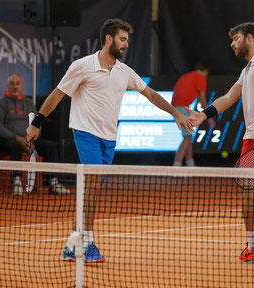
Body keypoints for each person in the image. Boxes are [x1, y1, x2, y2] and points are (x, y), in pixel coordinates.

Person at [26, 18, 195, 263]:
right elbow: (58, 94)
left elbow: (150, 94)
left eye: (127, 40)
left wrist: (176, 113)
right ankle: (88, 244)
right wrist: (36, 123)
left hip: (109, 140)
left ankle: (72, 245)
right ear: (109, 39)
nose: (126, 44)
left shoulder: (124, 72)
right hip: (85, 134)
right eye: (122, 39)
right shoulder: (82, 66)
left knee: (91, 192)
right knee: (92, 187)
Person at [187, 22, 254, 264]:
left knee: (249, 189)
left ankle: (252, 247)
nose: (232, 44)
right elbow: (228, 98)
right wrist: (203, 115)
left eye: (235, 38)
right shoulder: (247, 70)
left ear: (249, 37)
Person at [0, 74, 70, 196]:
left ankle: (53, 182)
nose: (15, 86)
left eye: (18, 83)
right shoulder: (1, 103)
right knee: (15, 145)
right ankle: (16, 182)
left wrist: (31, 139)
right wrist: (17, 138)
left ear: (22, 86)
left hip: (29, 140)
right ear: (8, 86)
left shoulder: (29, 103)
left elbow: (36, 124)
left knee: (50, 146)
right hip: (8, 141)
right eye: (12, 84)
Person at [171, 61, 215, 166]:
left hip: (174, 108)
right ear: (205, 71)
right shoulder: (201, 77)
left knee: (188, 136)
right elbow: (202, 98)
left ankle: (190, 165)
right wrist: (209, 117)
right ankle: (176, 166)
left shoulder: (187, 76)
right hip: (182, 107)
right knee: (187, 137)